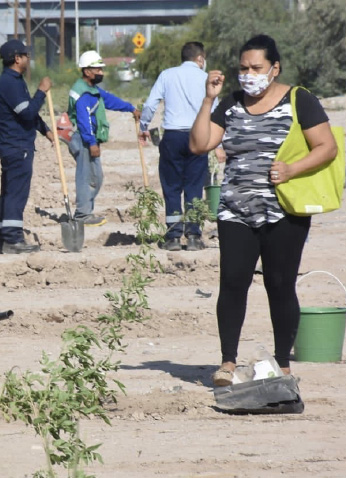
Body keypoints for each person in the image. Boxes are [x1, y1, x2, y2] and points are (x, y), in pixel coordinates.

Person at [189, 34, 337, 387]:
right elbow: (199, 144)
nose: (249, 74)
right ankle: (227, 363)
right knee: (232, 284)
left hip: (283, 210)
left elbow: (327, 147)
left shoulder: (300, 100)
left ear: (274, 68)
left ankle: (283, 364)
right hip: (235, 209)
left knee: (281, 285)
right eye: (243, 68)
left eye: (256, 67)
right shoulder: (231, 103)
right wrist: (208, 100)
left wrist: (291, 170)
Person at [139, 42, 210, 251]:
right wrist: (219, 143)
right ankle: (194, 237)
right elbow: (214, 112)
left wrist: (144, 125)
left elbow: (151, 104)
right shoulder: (206, 79)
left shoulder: (167, 75)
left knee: (172, 187)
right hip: (198, 137)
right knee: (195, 187)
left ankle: (173, 237)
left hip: (172, 137)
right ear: (200, 58)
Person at [0, 39, 53, 254]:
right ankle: (12, 240)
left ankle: (7, 237)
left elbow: (28, 114)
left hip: (15, 145)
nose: (29, 59)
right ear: (17, 58)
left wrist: (45, 130)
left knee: (11, 192)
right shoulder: (9, 83)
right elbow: (27, 112)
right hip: (16, 146)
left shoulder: (14, 81)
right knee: (16, 193)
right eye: (26, 55)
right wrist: (42, 92)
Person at [67, 50, 141, 226]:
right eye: (97, 70)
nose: (101, 73)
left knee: (96, 177)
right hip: (84, 139)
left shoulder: (93, 91)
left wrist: (131, 108)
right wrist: (92, 142)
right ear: (87, 71)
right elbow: (84, 121)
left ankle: (85, 211)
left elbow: (110, 100)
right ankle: (82, 215)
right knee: (86, 177)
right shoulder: (82, 93)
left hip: (89, 139)